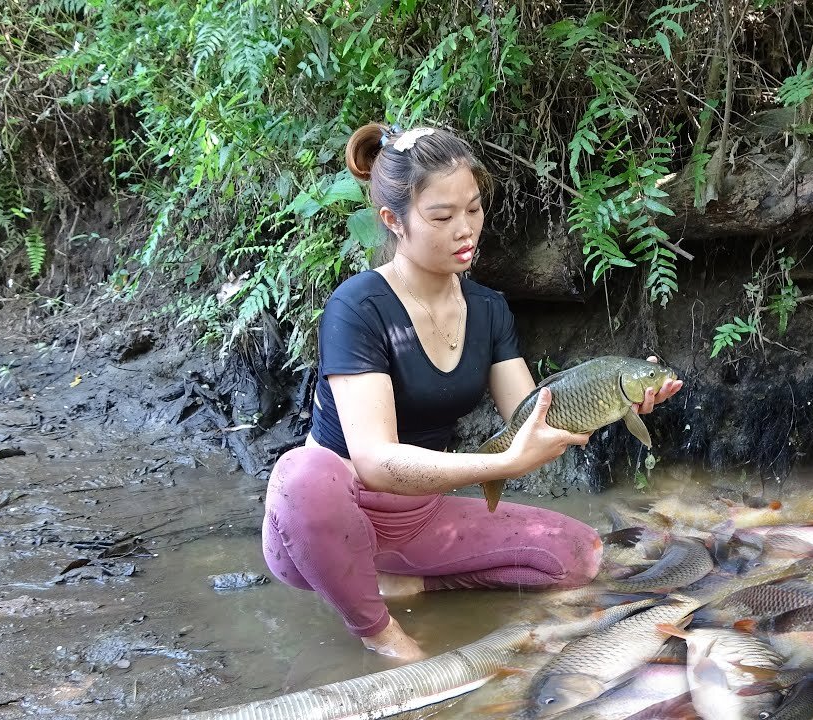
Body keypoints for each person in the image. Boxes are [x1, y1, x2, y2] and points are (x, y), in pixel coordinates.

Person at [260, 123, 683, 662]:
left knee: (580, 557)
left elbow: (533, 420)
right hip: (326, 517)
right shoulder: (358, 307)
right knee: (304, 474)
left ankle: (402, 585)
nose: (466, 230)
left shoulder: (488, 309)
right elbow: (374, 461)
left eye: (475, 209)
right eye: (442, 217)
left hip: (416, 516)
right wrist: (493, 464)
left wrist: (620, 394)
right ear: (393, 221)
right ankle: (380, 632)